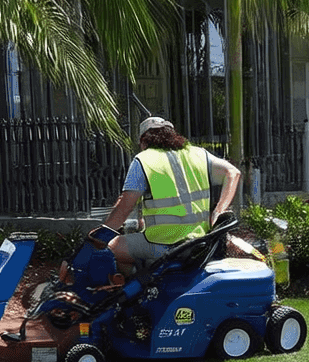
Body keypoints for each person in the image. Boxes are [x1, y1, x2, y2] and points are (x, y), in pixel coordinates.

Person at [99, 116, 241, 275]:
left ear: (144, 141)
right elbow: (233, 173)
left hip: (163, 245)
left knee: (110, 248)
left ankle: (139, 287)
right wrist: (219, 211)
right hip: (199, 243)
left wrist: (99, 237)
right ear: (173, 135)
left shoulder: (143, 160)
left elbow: (124, 209)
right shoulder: (199, 154)